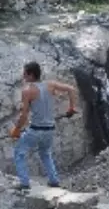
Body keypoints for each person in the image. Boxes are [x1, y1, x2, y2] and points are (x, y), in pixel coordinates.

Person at [10, 62, 80, 191]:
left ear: (31, 75)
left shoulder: (27, 91)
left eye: (25, 73)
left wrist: (17, 129)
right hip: (49, 129)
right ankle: (54, 180)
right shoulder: (51, 85)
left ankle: (24, 183)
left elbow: (24, 115)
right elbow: (71, 89)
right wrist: (71, 108)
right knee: (45, 154)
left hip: (36, 129)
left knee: (19, 153)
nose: (23, 75)